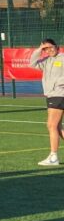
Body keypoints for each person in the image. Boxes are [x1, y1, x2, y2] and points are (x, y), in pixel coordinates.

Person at [28, 38, 64, 166]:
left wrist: (60, 84)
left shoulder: (62, 58)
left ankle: (53, 157)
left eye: (51, 47)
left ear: (56, 46)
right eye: (46, 49)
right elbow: (31, 63)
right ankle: (53, 156)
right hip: (52, 95)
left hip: (59, 94)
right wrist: (39, 49)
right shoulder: (46, 61)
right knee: (58, 128)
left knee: (51, 125)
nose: (49, 50)